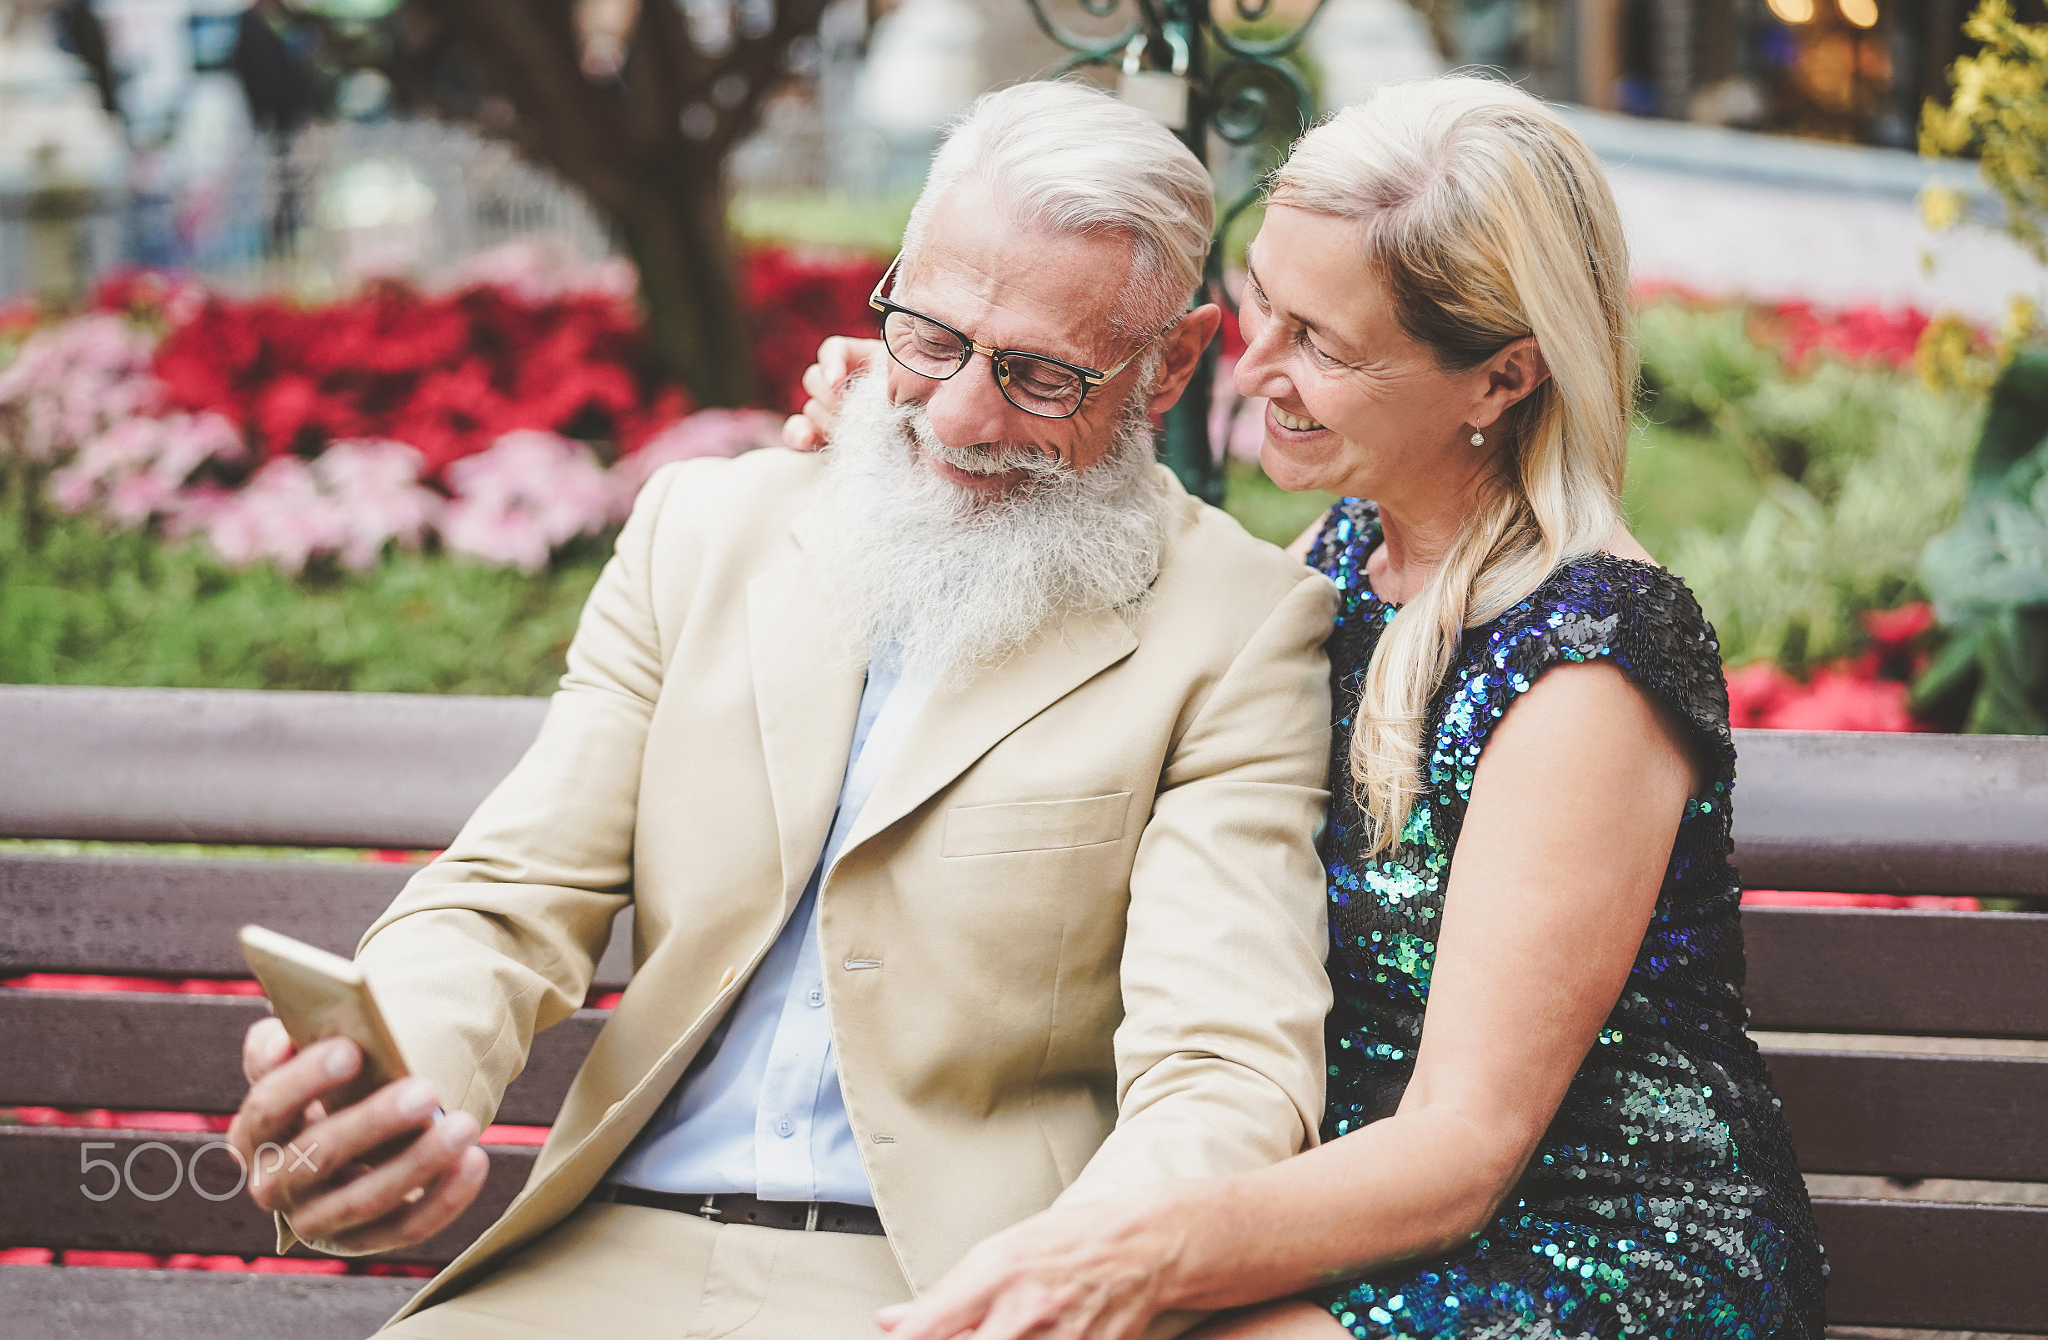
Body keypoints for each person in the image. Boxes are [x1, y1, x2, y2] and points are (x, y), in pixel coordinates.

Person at [225, 80, 1337, 1339]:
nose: (963, 417)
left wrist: (1082, 1275)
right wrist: (388, 1090)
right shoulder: (701, 531)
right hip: (603, 1255)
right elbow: (504, 901)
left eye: (1040, 376)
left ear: (1172, 362)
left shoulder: (1238, 626)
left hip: (953, 1288)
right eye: (929, 338)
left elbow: (1220, 1065)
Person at [786, 75, 1828, 1340]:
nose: (1253, 364)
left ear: (1499, 380)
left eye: (1321, 344)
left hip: (1584, 1245)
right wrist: (928, 425)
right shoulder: (1346, 554)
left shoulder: (1587, 660)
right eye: (1261, 299)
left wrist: (1124, 1254)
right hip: (1327, 1208)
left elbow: (1461, 1149)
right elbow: (1120, 601)